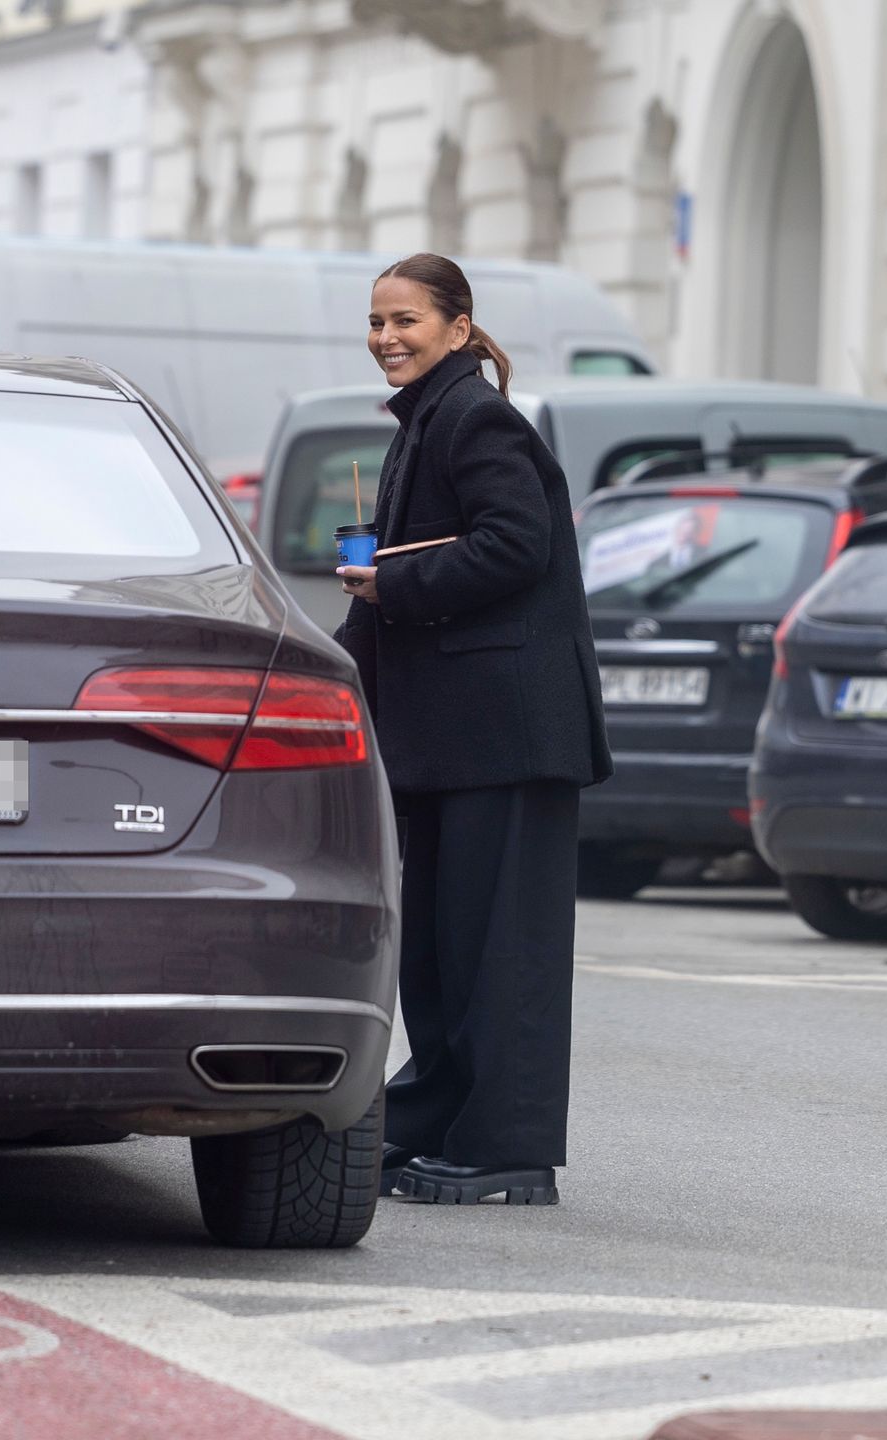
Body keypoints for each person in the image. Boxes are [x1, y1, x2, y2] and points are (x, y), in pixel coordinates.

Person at [333, 253, 611, 1206]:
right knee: (443, 949)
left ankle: (508, 1149)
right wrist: (322, 664)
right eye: (375, 322)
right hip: (456, 738)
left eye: (405, 320)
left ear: (458, 328)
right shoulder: (428, 419)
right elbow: (393, 583)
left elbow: (513, 545)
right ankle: (439, 1118)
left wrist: (395, 585)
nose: (386, 338)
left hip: (510, 735)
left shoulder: (478, 417)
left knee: (503, 951)